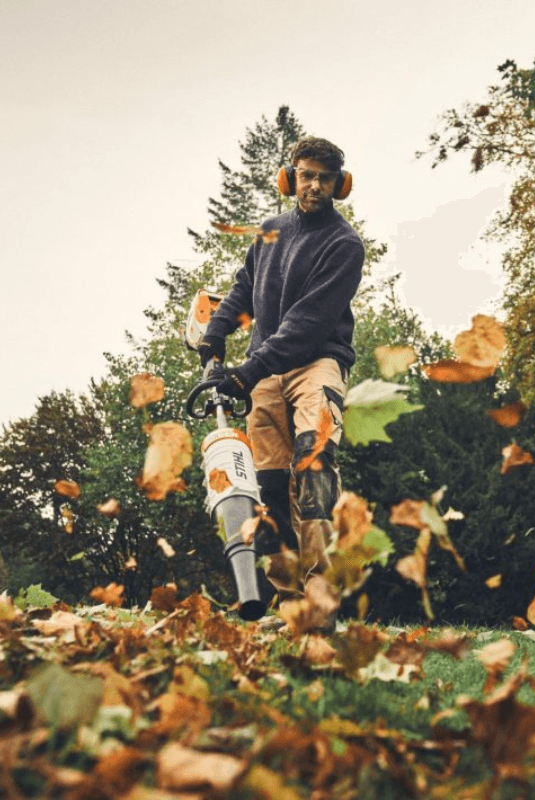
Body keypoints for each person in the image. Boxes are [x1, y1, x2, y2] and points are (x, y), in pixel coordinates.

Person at [198, 137, 364, 631]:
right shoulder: (270, 230)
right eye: (307, 175)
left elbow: (308, 324)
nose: (315, 185)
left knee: (313, 466)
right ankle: (287, 604)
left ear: (340, 185)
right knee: (265, 485)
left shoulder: (344, 245)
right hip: (265, 370)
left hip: (317, 363)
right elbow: (244, 287)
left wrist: (244, 373)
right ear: (289, 177)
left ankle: (321, 604)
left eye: (326, 178)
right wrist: (215, 336)